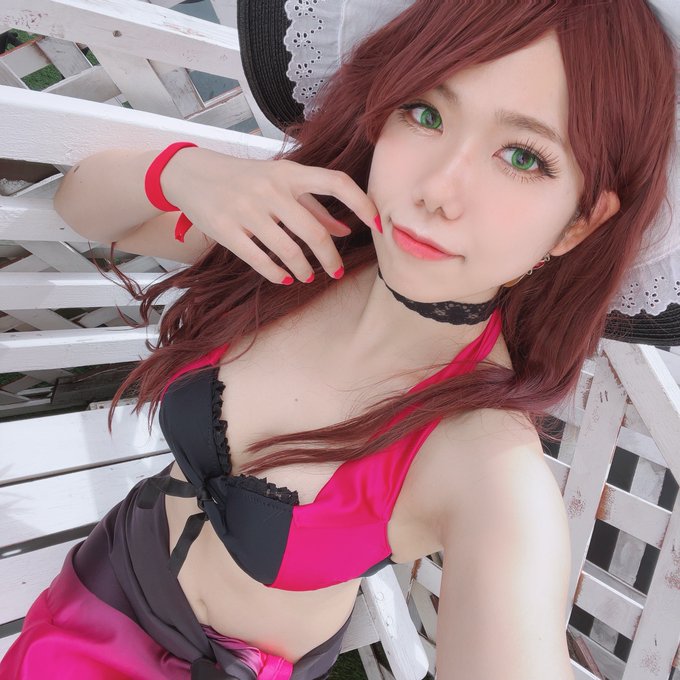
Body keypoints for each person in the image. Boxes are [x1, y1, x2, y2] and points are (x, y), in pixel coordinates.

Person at [1, 1, 677, 678]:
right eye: (425, 112)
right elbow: (79, 205)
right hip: (96, 586)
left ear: (579, 223)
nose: (438, 190)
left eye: (522, 156)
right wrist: (187, 173)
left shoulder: (485, 466)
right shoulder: (303, 244)